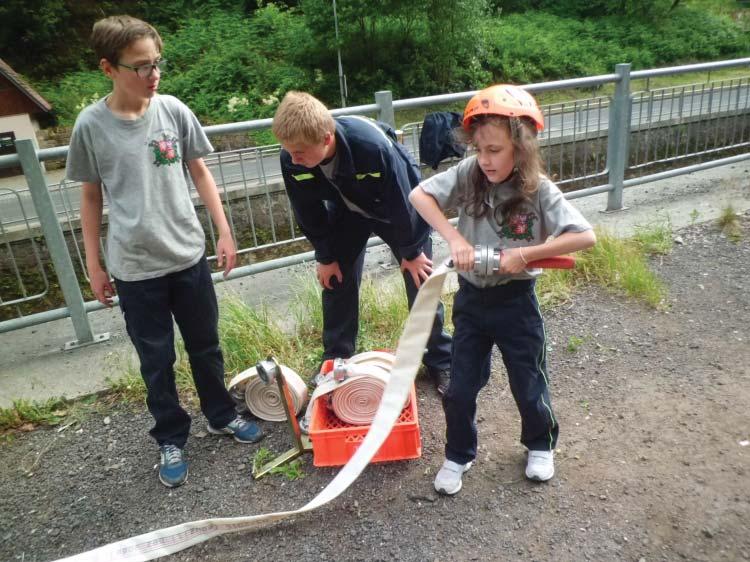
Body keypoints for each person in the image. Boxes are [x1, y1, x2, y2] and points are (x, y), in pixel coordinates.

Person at [66, 15, 263, 489]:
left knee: (206, 347)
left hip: (188, 257)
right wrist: (93, 265)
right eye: (141, 67)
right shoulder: (91, 125)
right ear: (108, 68)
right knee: (156, 361)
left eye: (157, 63)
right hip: (135, 269)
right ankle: (171, 437)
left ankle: (221, 414)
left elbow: (199, 172)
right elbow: (90, 197)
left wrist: (224, 231)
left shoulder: (172, 110)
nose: (154, 75)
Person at [409, 84, 597, 495]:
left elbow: (585, 237)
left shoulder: (539, 190)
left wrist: (527, 254)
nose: (486, 159)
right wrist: (454, 241)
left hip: (516, 302)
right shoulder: (469, 174)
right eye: (480, 149)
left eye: (495, 150)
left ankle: (540, 445)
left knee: (528, 382)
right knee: (458, 387)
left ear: (521, 146)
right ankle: (459, 454)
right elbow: (419, 195)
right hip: (472, 300)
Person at [272, 91, 453, 392]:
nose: (293, 159)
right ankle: (336, 361)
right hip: (347, 211)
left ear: (326, 138)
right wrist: (325, 255)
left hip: (395, 208)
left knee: (420, 278)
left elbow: (406, 197)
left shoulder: (372, 146)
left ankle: (441, 360)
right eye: (289, 151)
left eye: (300, 152)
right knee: (335, 279)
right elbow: (307, 210)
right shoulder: (292, 159)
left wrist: (411, 250)